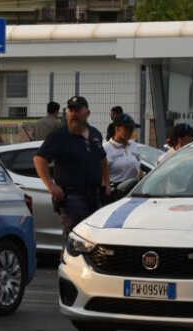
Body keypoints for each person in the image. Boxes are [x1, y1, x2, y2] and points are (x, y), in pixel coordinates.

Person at [33, 96, 110, 241]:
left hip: (94, 195)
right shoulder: (59, 136)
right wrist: (51, 185)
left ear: (87, 113)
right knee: (75, 237)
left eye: (77, 110)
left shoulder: (95, 134)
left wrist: (106, 183)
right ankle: (68, 263)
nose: (73, 114)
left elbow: (103, 158)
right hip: (72, 196)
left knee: (92, 237)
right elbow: (39, 159)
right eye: (71, 110)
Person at [104, 113, 143, 191]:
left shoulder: (133, 145)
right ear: (117, 129)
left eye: (131, 129)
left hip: (133, 190)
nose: (130, 131)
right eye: (127, 129)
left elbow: (139, 166)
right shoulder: (106, 148)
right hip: (115, 192)